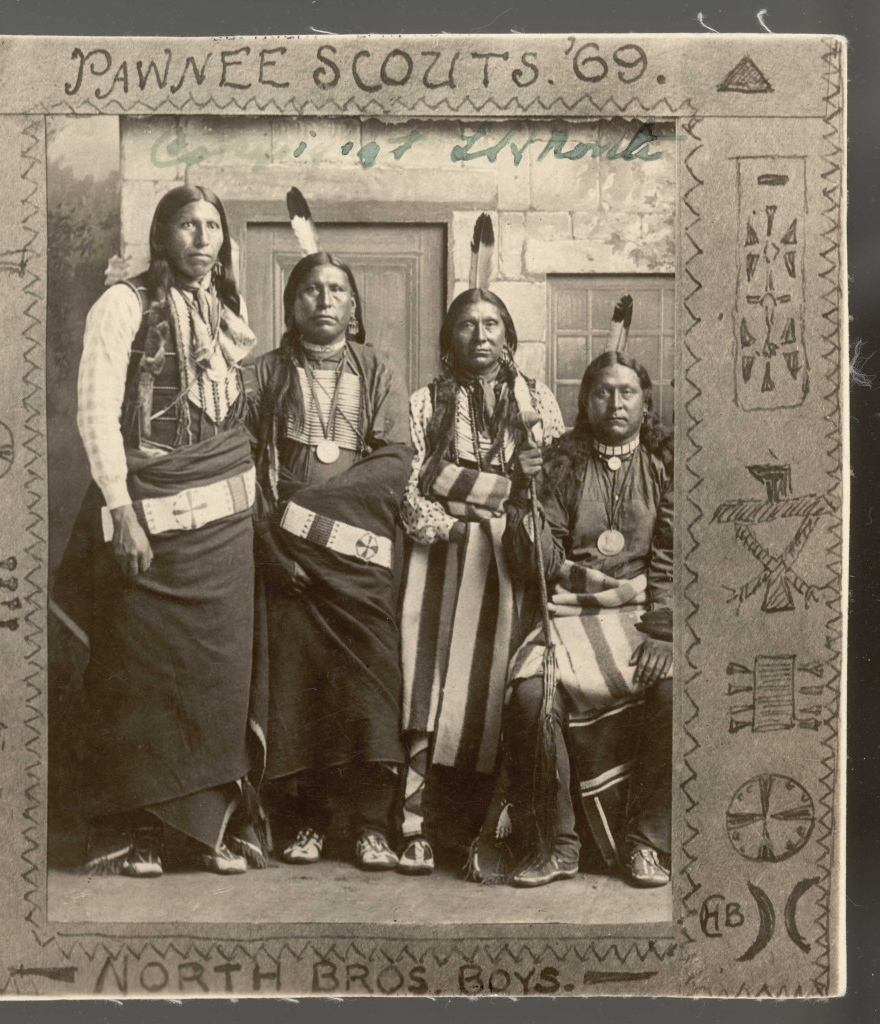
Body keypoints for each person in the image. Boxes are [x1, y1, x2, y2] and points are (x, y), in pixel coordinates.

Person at [53, 184, 266, 878]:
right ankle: (135, 835)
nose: (203, 238)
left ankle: (203, 834)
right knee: (142, 679)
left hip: (223, 534)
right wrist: (121, 512)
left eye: (214, 225)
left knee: (216, 680)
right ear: (161, 233)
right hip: (152, 516)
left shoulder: (226, 312)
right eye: (188, 224)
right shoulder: (125, 303)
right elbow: (96, 412)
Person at [471, 350, 673, 888]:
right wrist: (524, 496)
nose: (615, 402)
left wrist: (665, 628)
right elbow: (535, 565)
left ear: (645, 401)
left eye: (627, 392)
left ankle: (647, 844)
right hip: (568, 610)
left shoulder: (666, 462)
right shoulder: (560, 463)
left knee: (674, 686)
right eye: (602, 392)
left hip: (642, 610)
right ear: (585, 402)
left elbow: (675, 555)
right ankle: (558, 844)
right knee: (530, 694)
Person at [248, 249, 412, 871]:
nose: (324, 299)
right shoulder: (261, 374)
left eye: (337, 290)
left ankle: (371, 825)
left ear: (354, 306)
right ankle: (307, 822)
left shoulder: (377, 369)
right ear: (292, 305)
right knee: (301, 684)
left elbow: (394, 461)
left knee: (372, 681)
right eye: (311, 289)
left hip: (360, 558)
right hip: (287, 562)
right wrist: (271, 541)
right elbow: (244, 468)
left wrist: (308, 510)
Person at [397, 288, 564, 875]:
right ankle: (416, 828)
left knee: (497, 691)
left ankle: (491, 833)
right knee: (430, 687)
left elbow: (549, 487)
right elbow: (413, 490)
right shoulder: (424, 403)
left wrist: (479, 491)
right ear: (450, 339)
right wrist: (481, 502)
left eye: (492, 323)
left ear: (508, 334)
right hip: (441, 561)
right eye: (467, 325)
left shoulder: (536, 399)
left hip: (511, 564)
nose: (481, 335)